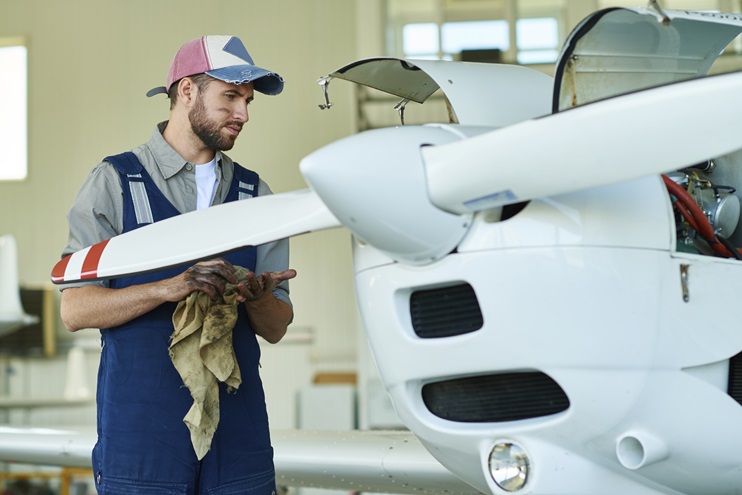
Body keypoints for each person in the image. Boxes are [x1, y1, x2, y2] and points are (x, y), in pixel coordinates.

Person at [59, 35, 296, 495]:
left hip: (239, 433)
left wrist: (262, 299)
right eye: (230, 97)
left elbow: (277, 326)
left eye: (247, 101)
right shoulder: (115, 184)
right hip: (141, 434)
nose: (243, 114)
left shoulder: (256, 197)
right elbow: (75, 310)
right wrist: (166, 288)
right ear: (186, 91)